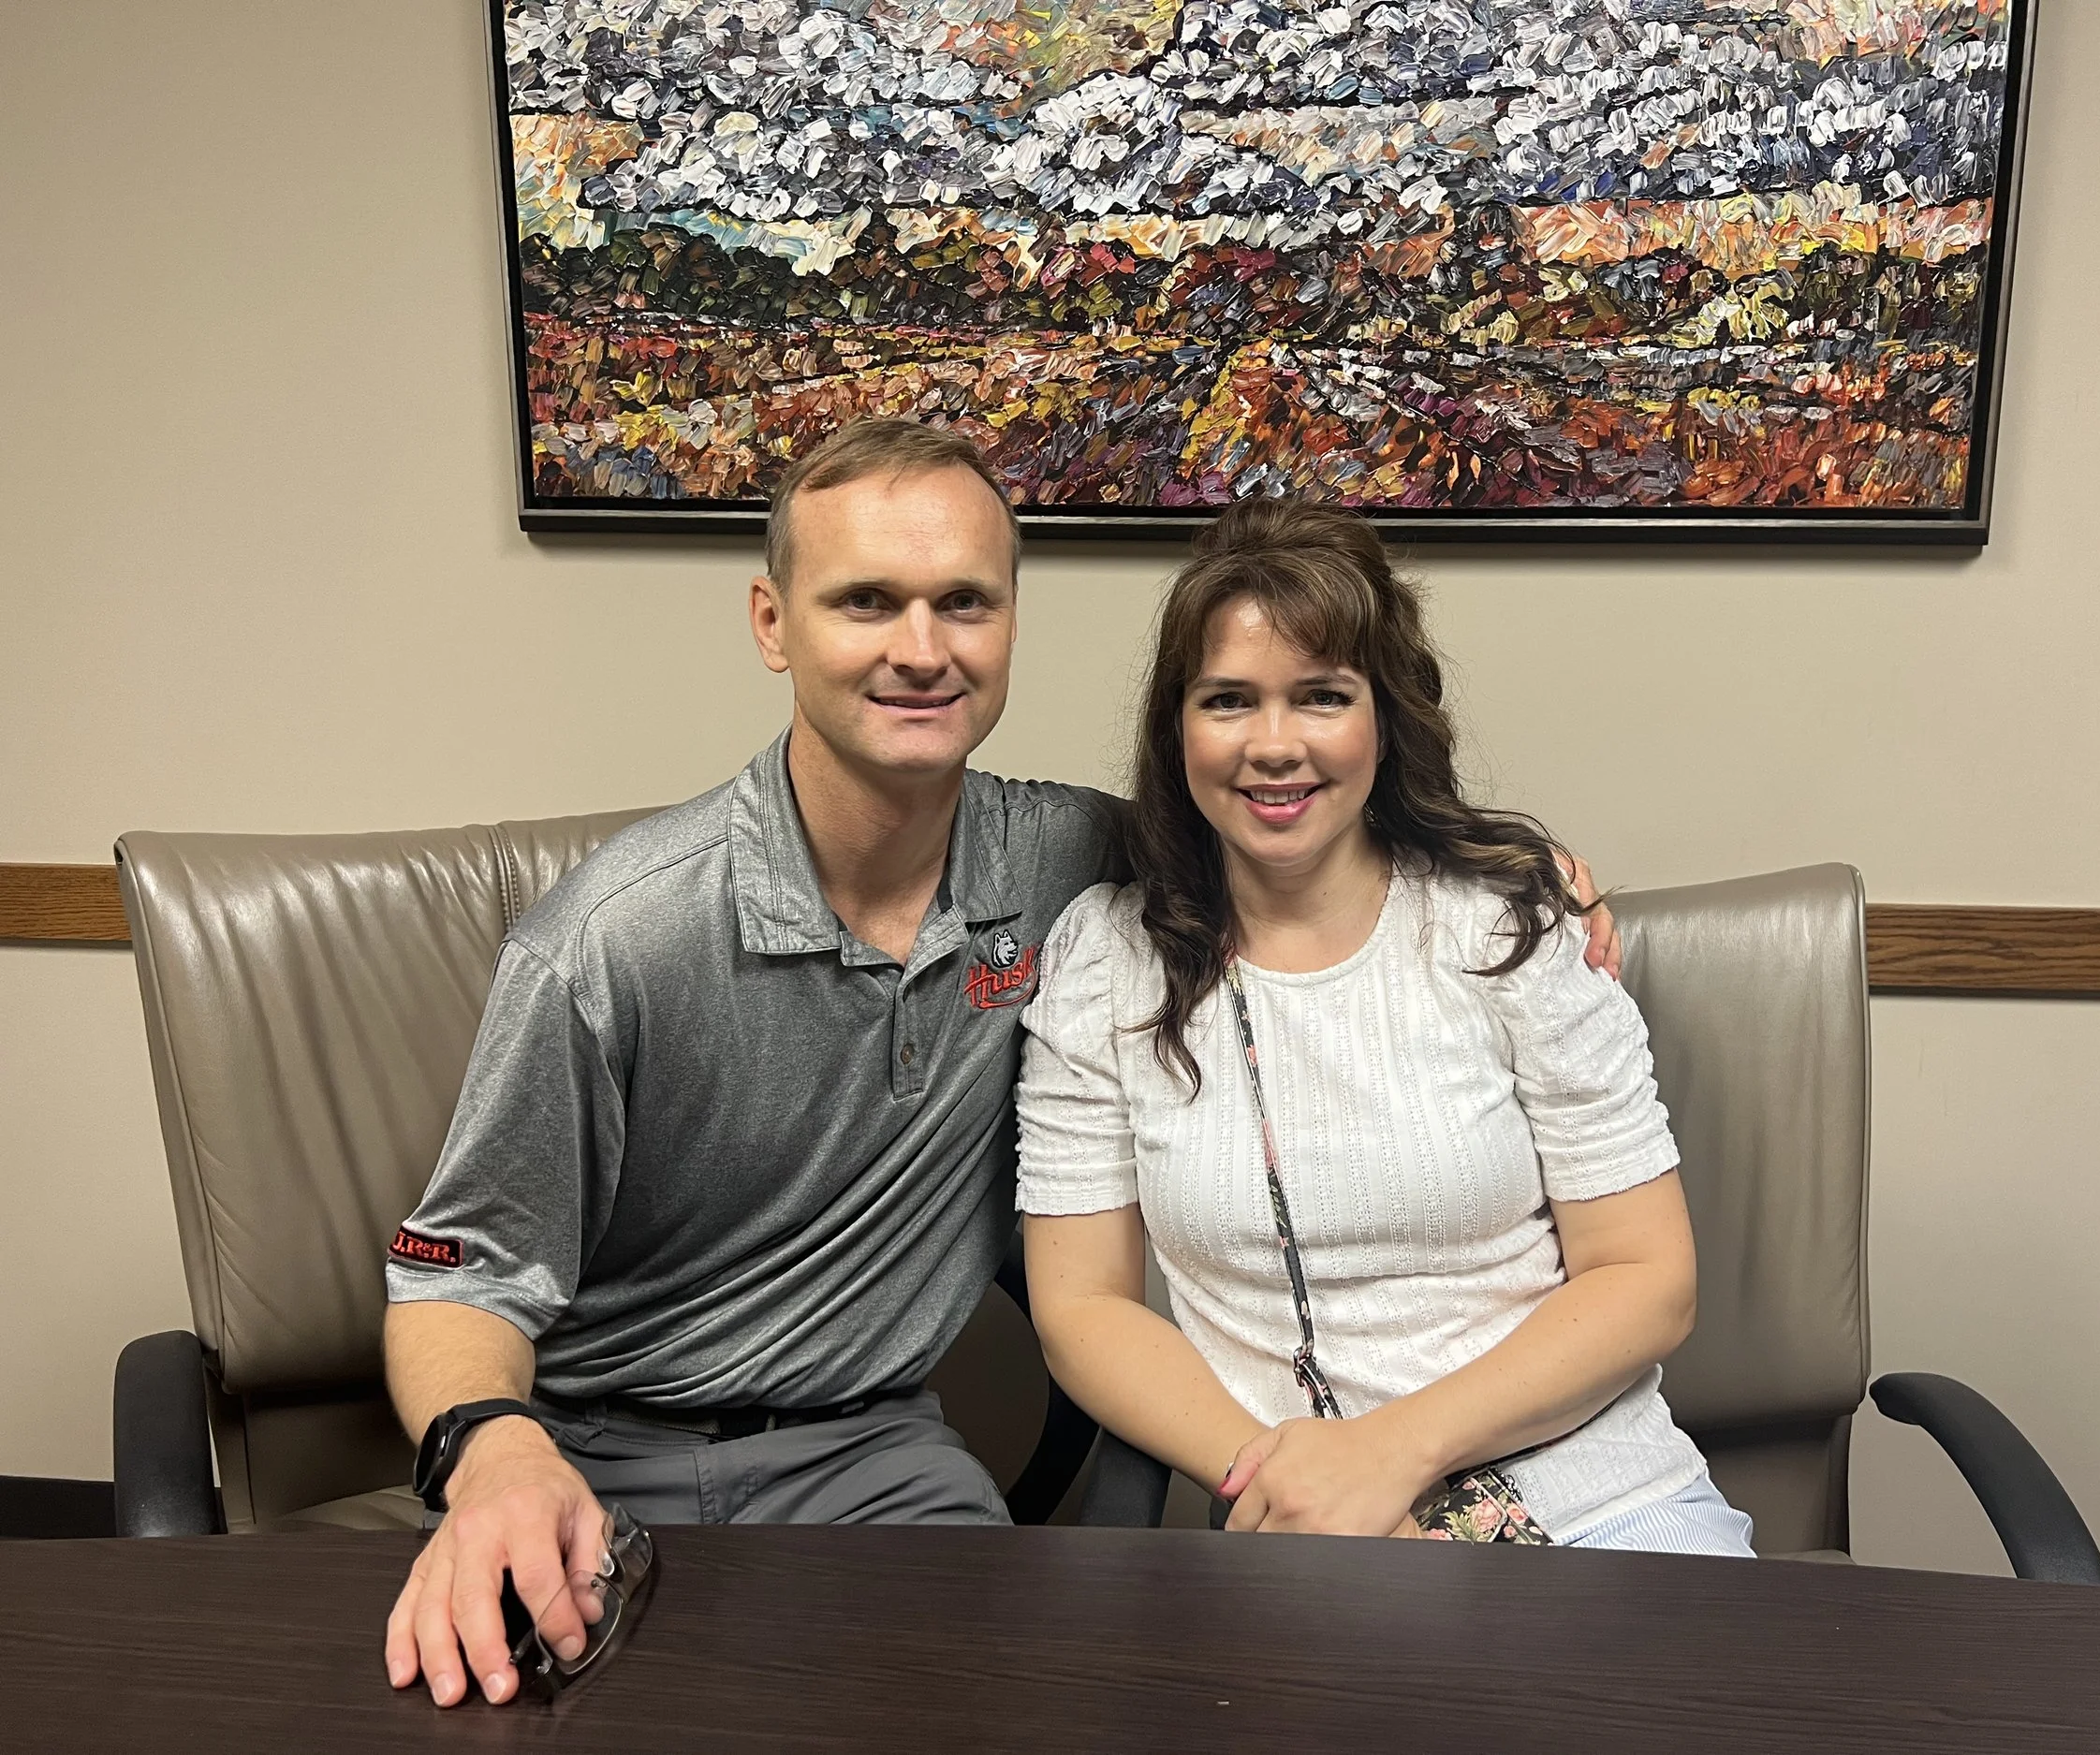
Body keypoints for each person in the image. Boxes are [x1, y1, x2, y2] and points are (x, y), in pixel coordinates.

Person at [378, 416, 1635, 1706]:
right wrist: (498, 1456)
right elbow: (453, 1281)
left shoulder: (1069, 870)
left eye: (964, 602)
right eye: (867, 601)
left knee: (1013, 1703)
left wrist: (1510, 867)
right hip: (588, 1448)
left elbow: (1289, 817)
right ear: (772, 622)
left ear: (1011, 625)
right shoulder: (613, 938)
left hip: (870, 1452)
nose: (922, 649)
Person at [1017, 499, 1754, 1554]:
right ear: (1177, 728)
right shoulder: (1104, 961)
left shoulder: (1507, 924)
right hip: (1299, 1530)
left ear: (1384, 718)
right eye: (1228, 700)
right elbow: (1084, 1307)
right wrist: (1290, 1487)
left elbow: (1646, 1277)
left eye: (1323, 696)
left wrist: (1390, 1454)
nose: (1275, 745)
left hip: (1601, 1501)